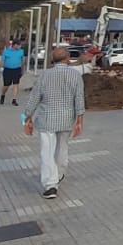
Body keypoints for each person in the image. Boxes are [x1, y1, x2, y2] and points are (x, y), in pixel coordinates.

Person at [23, 45, 85, 199]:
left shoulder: (44, 75)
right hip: (66, 119)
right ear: (68, 59)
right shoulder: (75, 75)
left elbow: (34, 98)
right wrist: (79, 122)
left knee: (47, 152)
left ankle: (51, 185)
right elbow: (79, 100)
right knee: (62, 149)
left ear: (52, 59)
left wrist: (26, 118)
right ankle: (59, 173)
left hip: (46, 119)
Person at [0, 39, 25, 106]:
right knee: (6, 85)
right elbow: (2, 60)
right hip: (7, 69)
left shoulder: (21, 51)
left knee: (16, 84)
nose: (20, 47)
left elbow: (22, 61)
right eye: (19, 45)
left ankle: (14, 99)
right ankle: (3, 95)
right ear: (15, 45)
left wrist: (23, 70)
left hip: (17, 69)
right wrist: (2, 68)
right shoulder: (6, 51)